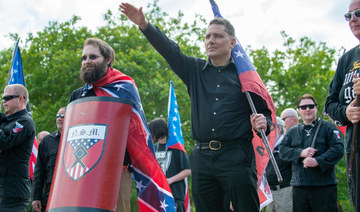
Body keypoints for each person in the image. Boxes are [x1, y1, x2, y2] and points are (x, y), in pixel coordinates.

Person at [120, 3, 272, 211]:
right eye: (208, 36)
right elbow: (170, 50)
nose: (211, 40)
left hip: (237, 156)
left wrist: (264, 122)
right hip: (202, 159)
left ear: (232, 42)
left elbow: (265, 113)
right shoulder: (194, 70)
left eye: (217, 36)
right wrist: (145, 25)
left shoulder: (245, 77)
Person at [68, 38, 167, 211]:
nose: (87, 61)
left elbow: (137, 130)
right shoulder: (77, 96)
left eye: (93, 57)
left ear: (107, 60)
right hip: (82, 167)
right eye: (84, 58)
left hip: (117, 166)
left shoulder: (124, 88)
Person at [280, 94, 344, 212]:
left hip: (324, 187)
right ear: (298, 110)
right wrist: (301, 152)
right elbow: (282, 151)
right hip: (299, 188)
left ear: (316, 108)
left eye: (311, 106)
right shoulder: (292, 132)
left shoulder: (328, 128)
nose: (307, 109)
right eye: (303, 107)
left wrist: (317, 161)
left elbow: (338, 149)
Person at [326, 0, 360, 211]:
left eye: (358, 13)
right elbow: (330, 104)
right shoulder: (347, 59)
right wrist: (346, 112)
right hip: (355, 149)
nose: (353, 19)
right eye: (349, 16)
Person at [0, 84, 36, 211]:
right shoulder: (6, 121)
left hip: (13, 192)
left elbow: (5, 142)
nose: (4, 101)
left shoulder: (25, 121)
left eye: (7, 98)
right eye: (2, 98)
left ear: (21, 99)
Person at [148, 118, 191, 212]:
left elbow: (187, 171)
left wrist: (170, 180)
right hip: (158, 195)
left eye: (151, 131)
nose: (150, 134)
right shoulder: (153, 148)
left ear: (158, 131)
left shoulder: (176, 147)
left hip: (175, 195)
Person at [32, 107, 65, 212]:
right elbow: (39, 171)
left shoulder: (78, 139)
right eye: (57, 116)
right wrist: (36, 197)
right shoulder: (47, 141)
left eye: (63, 116)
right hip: (50, 194)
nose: (59, 118)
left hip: (70, 193)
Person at [265, 117, 292, 212]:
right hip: (271, 192)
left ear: (279, 129)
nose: (266, 131)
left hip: (285, 191)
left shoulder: (287, 145)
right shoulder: (268, 148)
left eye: (269, 128)